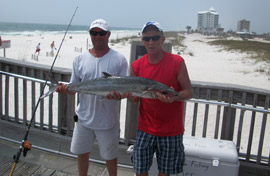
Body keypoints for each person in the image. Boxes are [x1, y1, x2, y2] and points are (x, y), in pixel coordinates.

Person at [115, 21, 193, 176]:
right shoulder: (136, 65)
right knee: (140, 171)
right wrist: (127, 96)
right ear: (142, 40)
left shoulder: (177, 62)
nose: (151, 42)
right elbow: (135, 99)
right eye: (147, 38)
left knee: (165, 173)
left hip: (172, 131)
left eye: (155, 38)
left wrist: (174, 96)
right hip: (145, 130)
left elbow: (189, 92)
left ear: (162, 39)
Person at [56, 19, 128, 176]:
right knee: (82, 154)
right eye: (94, 33)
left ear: (108, 34)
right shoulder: (79, 59)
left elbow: (125, 90)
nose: (98, 36)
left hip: (108, 121)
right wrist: (64, 89)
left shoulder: (120, 59)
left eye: (102, 33)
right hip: (83, 119)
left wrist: (118, 96)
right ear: (90, 35)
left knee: (110, 157)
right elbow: (73, 87)